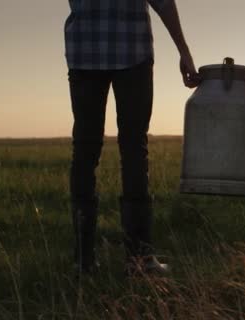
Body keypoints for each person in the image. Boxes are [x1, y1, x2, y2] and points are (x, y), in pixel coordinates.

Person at [65, 0, 200, 275]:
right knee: (134, 149)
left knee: (84, 150)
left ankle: (83, 260)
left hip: (84, 50)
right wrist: (183, 50)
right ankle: (139, 260)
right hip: (132, 50)